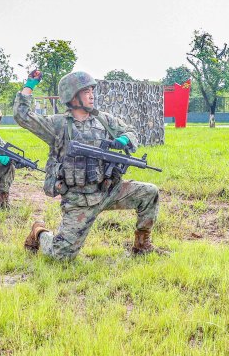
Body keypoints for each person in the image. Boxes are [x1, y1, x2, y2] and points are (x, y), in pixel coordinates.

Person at [14, 71, 162, 260]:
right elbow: (22, 116)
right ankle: (40, 232)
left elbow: (132, 132)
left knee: (149, 192)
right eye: (86, 91)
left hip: (108, 191)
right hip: (79, 200)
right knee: (61, 256)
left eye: (92, 90)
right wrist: (30, 85)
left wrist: (124, 139)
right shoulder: (58, 125)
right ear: (72, 96)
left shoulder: (104, 120)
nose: (92, 95)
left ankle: (142, 245)